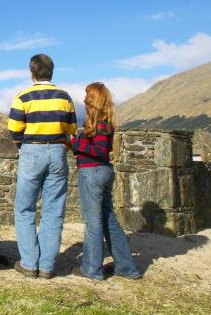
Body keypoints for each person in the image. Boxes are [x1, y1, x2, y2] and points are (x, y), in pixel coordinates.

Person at [8, 54, 77, 279]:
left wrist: (24, 146)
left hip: (31, 152)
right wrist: (61, 147)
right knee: (54, 210)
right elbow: (72, 130)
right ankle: (47, 267)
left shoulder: (23, 96)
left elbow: (14, 129)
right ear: (51, 71)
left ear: (32, 72)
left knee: (25, 208)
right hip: (57, 152)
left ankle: (29, 264)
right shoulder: (64, 97)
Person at [70, 82, 141, 280]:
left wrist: (76, 143)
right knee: (110, 222)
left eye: (87, 96)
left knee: (93, 224)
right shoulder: (103, 123)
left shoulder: (100, 124)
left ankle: (91, 269)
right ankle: (126, 268)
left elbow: (100, 151)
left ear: (94, 99)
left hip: (92, 174)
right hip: (103, 173)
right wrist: (79, 143)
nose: (84, 99)